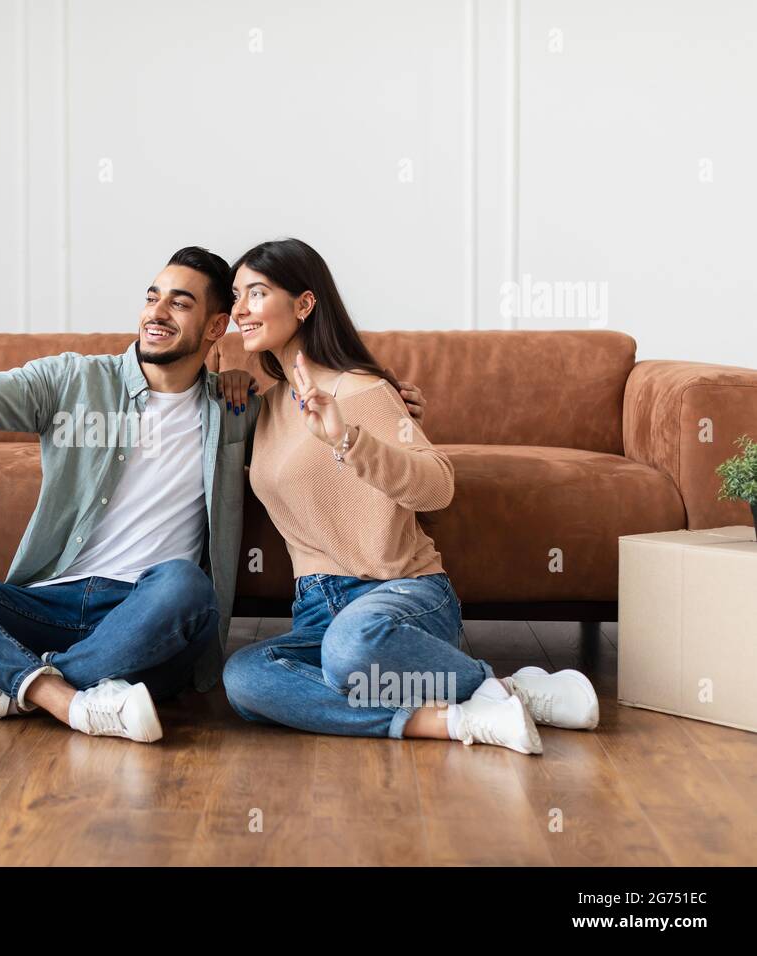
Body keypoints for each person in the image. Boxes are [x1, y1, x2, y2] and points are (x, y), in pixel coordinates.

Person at [0, 246, 427, 743]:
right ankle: (61, 697)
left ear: (217, 326)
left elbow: (323, 412)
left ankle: (8, 687)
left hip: (149, 616)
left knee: (186, 585)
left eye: (180, 304)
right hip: (45, 605)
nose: (156, 312)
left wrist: (386, 405)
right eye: (152, 297)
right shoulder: (72, 380)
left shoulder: (236, 407)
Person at [218, 238, 599, 754]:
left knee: (351, 651)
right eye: (236, 295)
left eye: (256, 294)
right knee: (245, 679)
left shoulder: (362, 392)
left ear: (305, 305)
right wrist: (230, 375)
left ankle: (501, 685)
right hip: (315, 610)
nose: (240, 309)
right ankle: (461, 715)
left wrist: (347, 440)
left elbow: (437, 486)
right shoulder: (265, 408)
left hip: (400, 596)